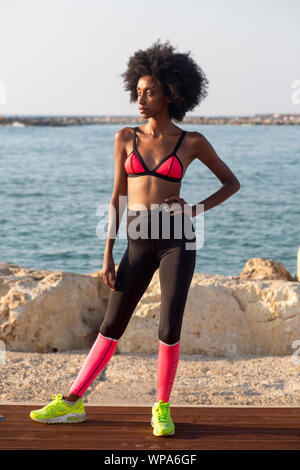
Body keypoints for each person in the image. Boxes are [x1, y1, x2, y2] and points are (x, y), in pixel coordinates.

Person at [30, 39, 240, 436]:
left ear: (170, 95)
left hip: (177, 238)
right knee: (111, 324)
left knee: (168, 326)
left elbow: (231, 183)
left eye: (150, 92)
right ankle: (72, 402)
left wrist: (193, 209)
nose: (140, 99)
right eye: (138, 92)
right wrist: (108, 252)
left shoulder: (190, 141)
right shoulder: (125, 137)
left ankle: (161, 407)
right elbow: (117, 197)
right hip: (138, 238)